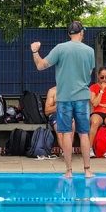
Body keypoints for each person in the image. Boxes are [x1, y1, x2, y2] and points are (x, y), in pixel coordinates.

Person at [31, 20, 95, 178]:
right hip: (82, 97)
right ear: (82, 33)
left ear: (69, 34)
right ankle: (87, 170)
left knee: (67, 133)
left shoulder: (60, 48)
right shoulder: (89, 51)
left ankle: (69, 171)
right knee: (84, 134)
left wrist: (34, 51)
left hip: (64, 97)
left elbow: (40, 66)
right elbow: (89, 73)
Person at [45, 86, 74, 155]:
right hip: (56, 114)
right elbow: (46, 111)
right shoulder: (52, 91)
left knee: (72, 126)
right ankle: (66, 152)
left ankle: (68, 151)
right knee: (60, 130)